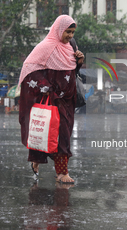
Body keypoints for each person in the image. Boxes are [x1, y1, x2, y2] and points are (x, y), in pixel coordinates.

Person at [18, 15, 84, 184]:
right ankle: (62, 173)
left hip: (67, 100)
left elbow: (70, 71)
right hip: (53, 99)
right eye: (67, 32)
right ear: (58, 29)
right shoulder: (46, 47)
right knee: (57, 134)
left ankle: (37, 159)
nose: (70, 35)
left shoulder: (71, 46)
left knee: (61, 134)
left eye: (72, 32)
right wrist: (46, 87)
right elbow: (30, 67)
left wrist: (79, 61)